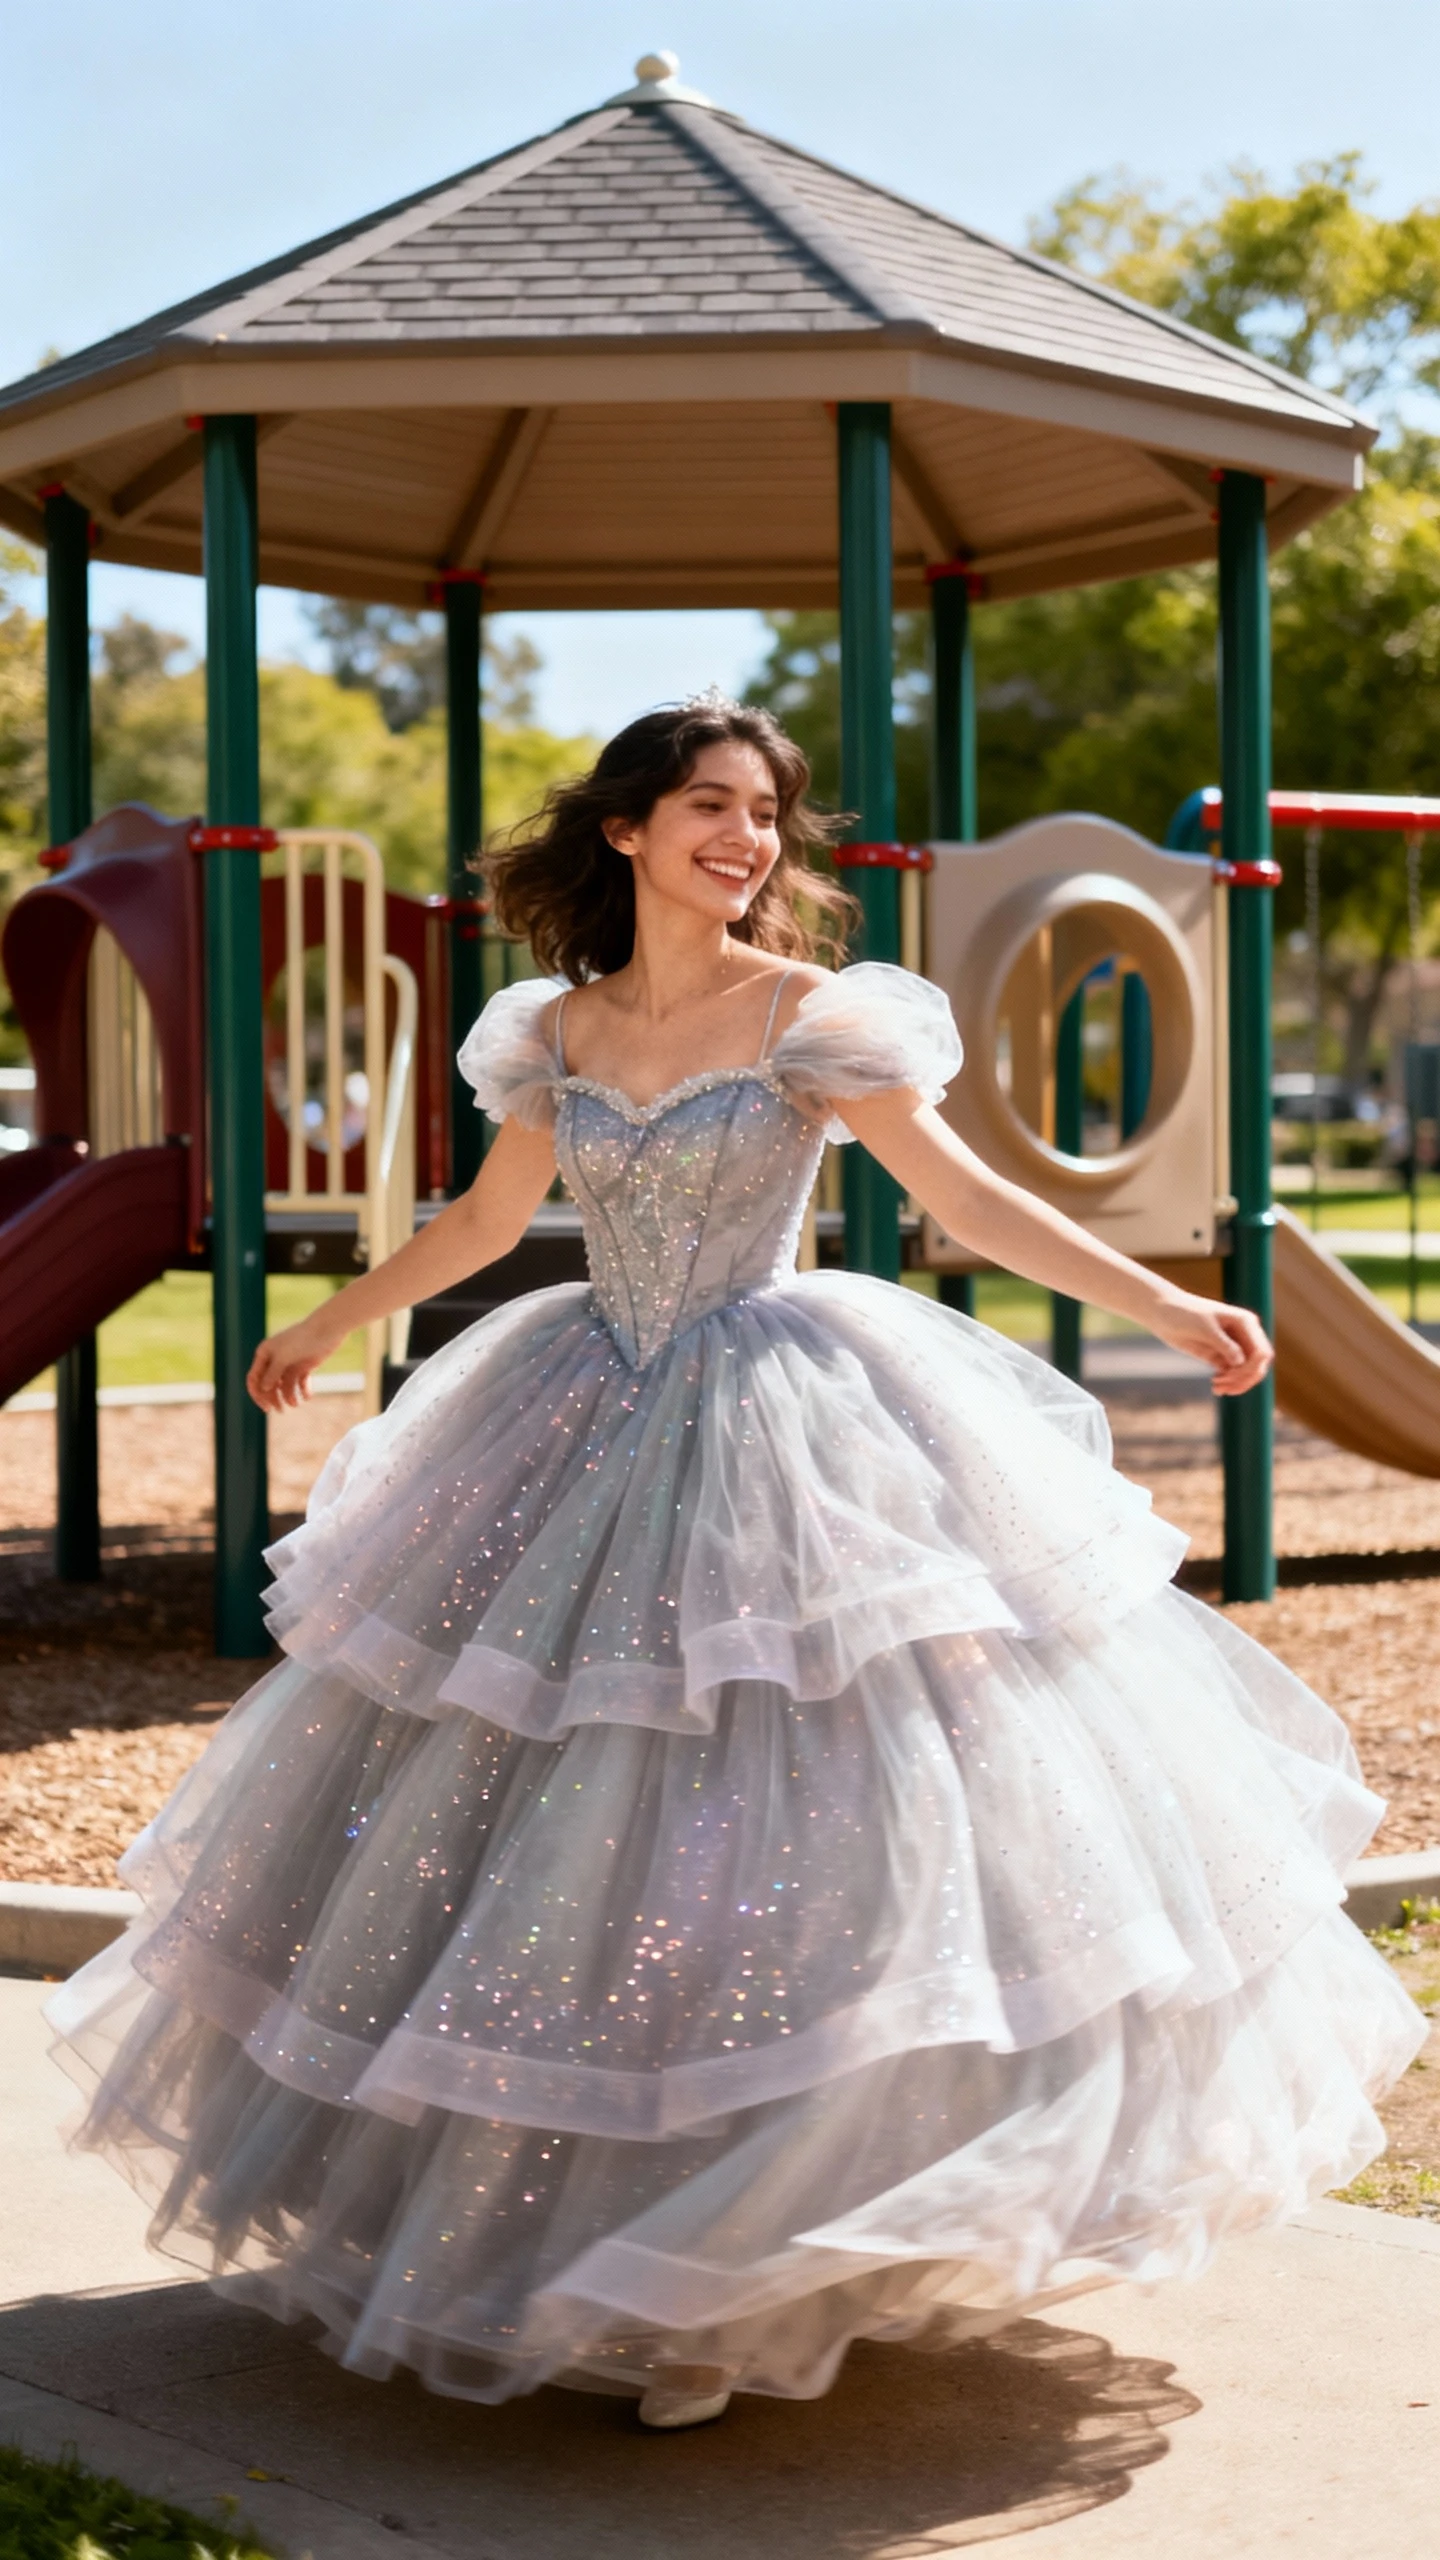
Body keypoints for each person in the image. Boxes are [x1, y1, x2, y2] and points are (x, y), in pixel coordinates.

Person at [49, 699, 1421, 2432]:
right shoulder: (547, 1026)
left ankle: (736, 2273)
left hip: (782, 1426)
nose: (747, 838)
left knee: (789, 1818)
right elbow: (489, 1221)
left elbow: (971, 1202)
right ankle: (579, 2237)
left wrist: (1166, 1296)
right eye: (709, 806)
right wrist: (326, 1317)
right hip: (579, 1408)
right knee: (541, 1821)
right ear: (625, 832)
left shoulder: (812, 1014)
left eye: (764, 813)